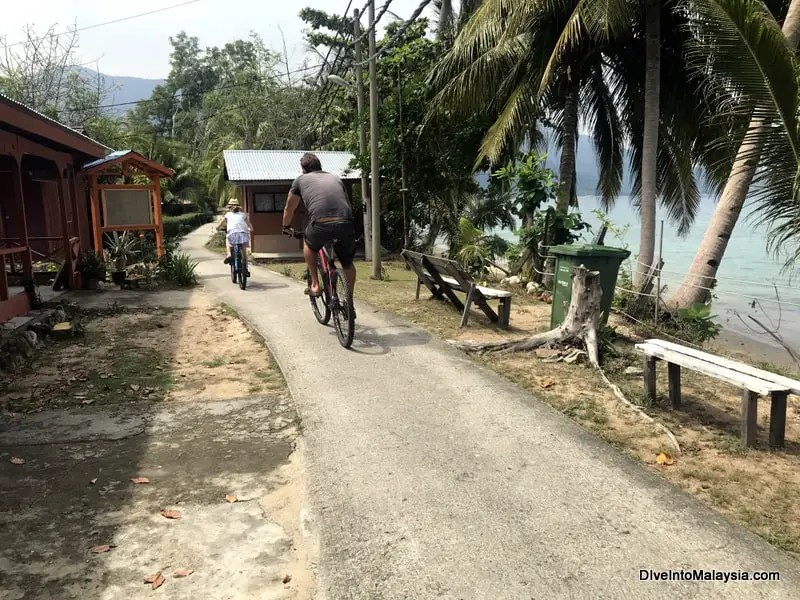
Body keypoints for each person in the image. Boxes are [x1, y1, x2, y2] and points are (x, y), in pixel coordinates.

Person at [282, 152, 357, 305]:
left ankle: (315, 285)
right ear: (320, 166)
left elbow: (289, 209)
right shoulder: (335, 177)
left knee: (309, 245)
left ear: (303, 169)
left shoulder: (300, 180)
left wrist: (286, 226)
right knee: (347, 263)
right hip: (345, 222)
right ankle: (349, 300)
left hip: (320, 224)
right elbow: (347, 204)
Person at [217, 199, 252, 274]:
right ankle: (245, 268)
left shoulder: (228, 215)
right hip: (243, 233)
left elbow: (220, 223)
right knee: (244, 249)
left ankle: (229, 254)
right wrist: (251, 229)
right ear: (239, 207)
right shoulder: (243, 214)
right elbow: (249, 224)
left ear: (229, 208)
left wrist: (217, 228)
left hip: (232, 233)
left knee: (228, 240)